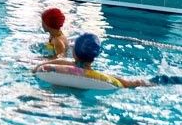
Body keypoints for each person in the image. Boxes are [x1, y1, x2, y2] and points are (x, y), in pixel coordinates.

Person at [33, 33, 170, 88]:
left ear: (74, 53)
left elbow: (38, 69)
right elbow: (134, 83)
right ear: (95, 56)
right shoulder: (108, 78)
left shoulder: (61, 65)